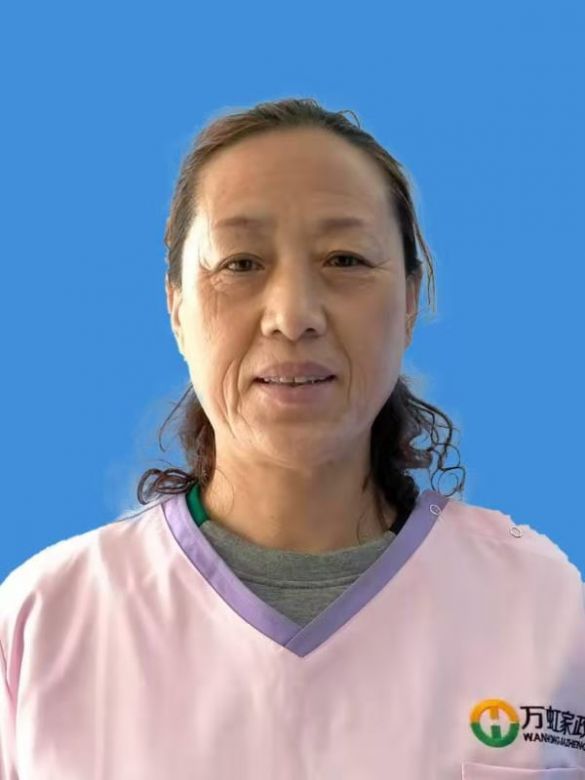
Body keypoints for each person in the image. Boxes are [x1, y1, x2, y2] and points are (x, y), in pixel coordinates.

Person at [1, 98, 584, 779]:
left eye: (345, 258)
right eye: (240, 263)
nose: (293, 314)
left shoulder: (542, 604)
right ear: (176, 307)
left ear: (408, 301)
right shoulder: (44, 620)